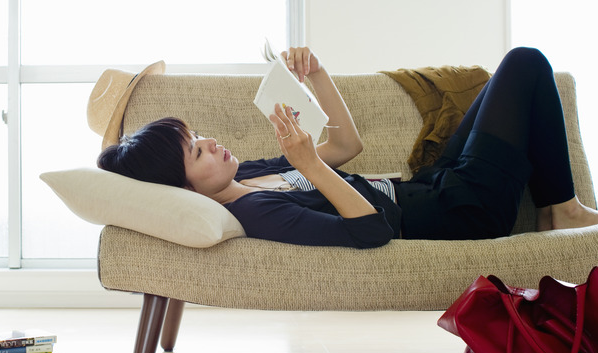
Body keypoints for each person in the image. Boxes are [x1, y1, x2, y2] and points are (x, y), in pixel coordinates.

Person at [97, 47, 598, 249]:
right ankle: (562, 211)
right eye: (196, 152)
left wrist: (316, 74)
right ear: (185, 190)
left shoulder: (246, 175)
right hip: (460, 212)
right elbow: (373, 231)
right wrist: (309, 166)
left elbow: (346, 144)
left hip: (433, 184)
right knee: (525, 64)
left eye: (197, 137)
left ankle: (558, 209)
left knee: (503, 80)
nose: (209, 142)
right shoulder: (258, 212)